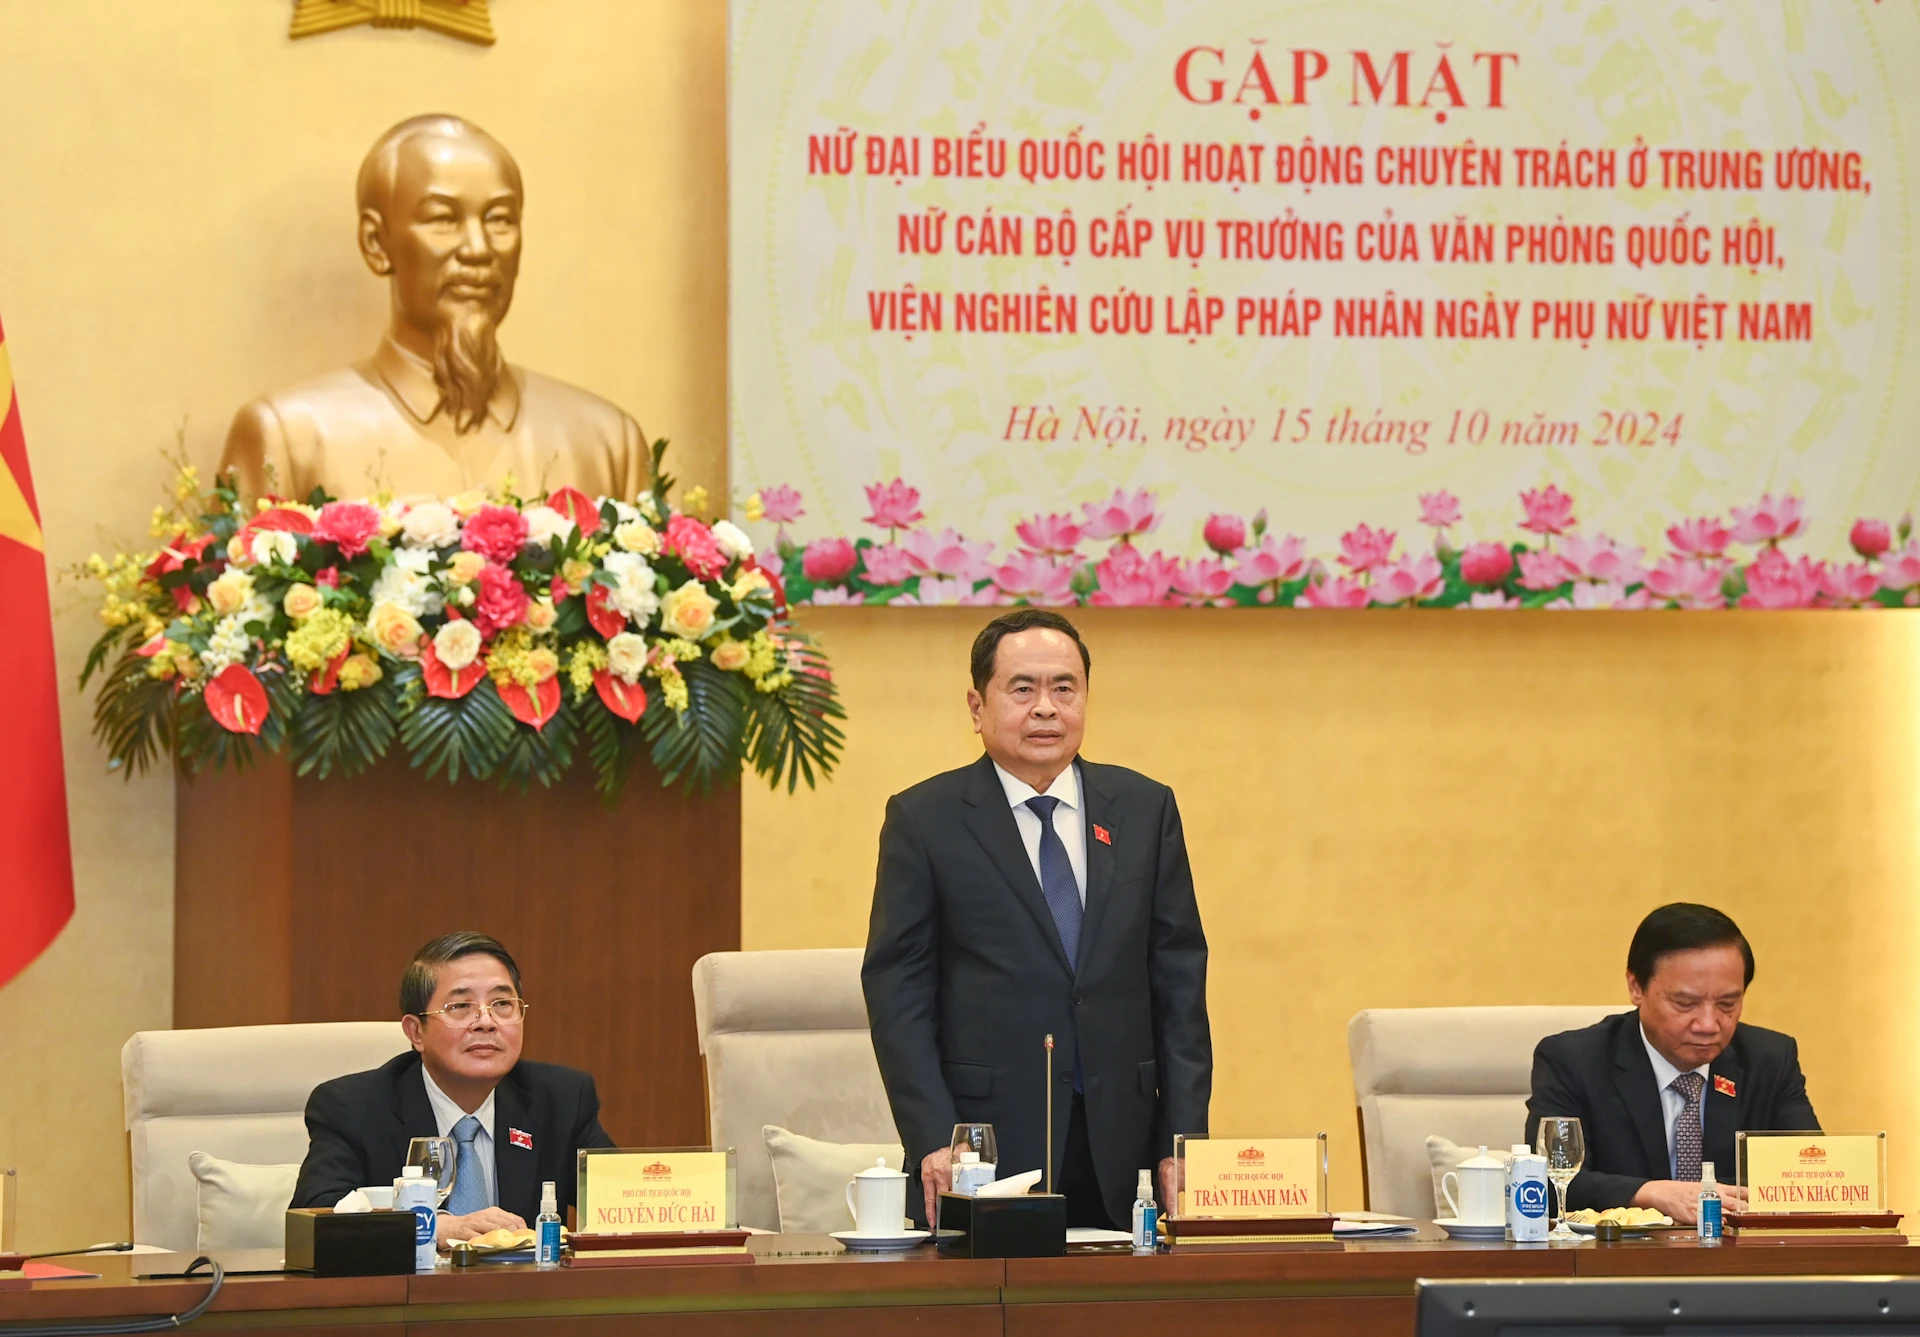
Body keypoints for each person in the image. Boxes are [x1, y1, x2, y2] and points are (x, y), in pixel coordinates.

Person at [862, 609, 1212, 1229]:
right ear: (977, 706)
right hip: (984, 1147)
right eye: (1023, 689)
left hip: (1125, 1140)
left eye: (1064, 688)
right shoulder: (926, 819)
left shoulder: (1143, 809)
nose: (1046, 708)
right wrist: (932, 1138)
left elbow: (1180, 985)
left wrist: (1184, 1142)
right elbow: (898, 992)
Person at [220, 114, 646, 502]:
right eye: (443, 219)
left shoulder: (607, 444)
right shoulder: (290, 438)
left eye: (500, 219)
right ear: (376, 243)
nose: (478, 250)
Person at [291, 931, 614, 1243]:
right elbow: (316, 1217)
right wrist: (438, 1227)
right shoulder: (353, 1107)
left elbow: (623, 1200)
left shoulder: (561, 1098)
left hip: (523, 1294)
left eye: (502, 1004)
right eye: (460, 1007)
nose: (486, 1021)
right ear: (416, 1032)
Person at [1525, 903, 1818, 1222]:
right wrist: (1652, 1193)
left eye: (1727, 1004)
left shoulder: (1769, 1059)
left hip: (1740, 1262)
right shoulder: (1573, 1060)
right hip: (1621, 1262)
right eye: (1685, 1003)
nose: (1708, 1024)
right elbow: (1552, 1184)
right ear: (1636, 987)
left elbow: (1811, 1174)